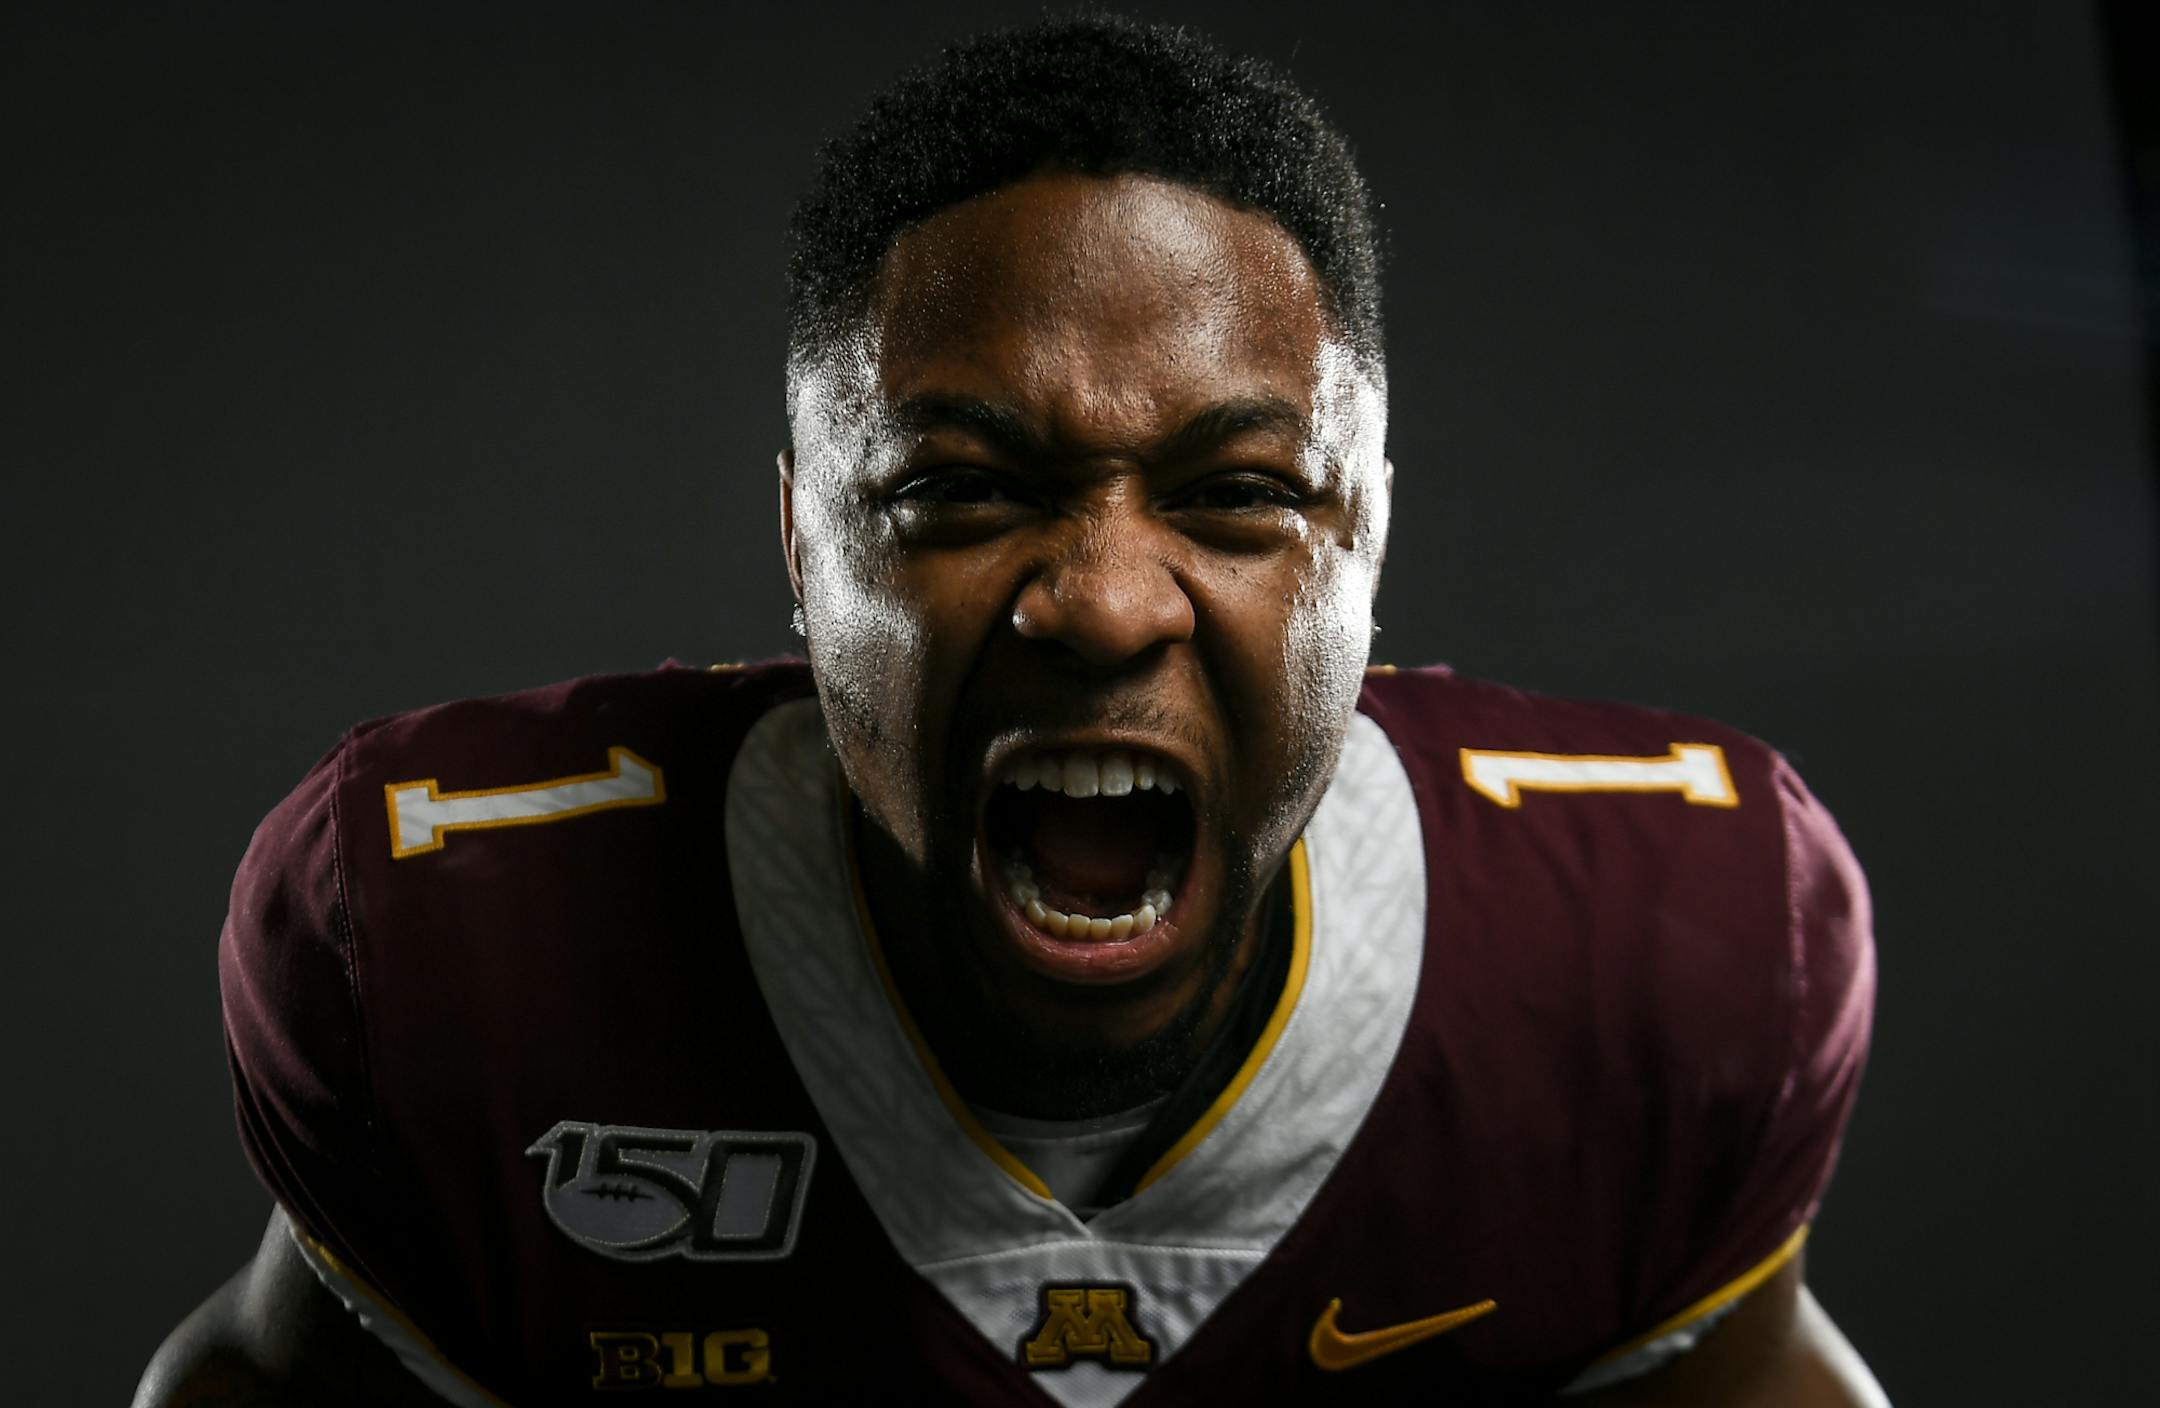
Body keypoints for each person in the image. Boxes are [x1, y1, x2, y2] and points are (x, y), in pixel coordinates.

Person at [136, 15, 1885, 1407]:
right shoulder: (459, 950)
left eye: (1240, 493)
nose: (1106, 603)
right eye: (961, 491)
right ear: (803, 547)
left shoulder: (1669, 959)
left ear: (1365, 540)